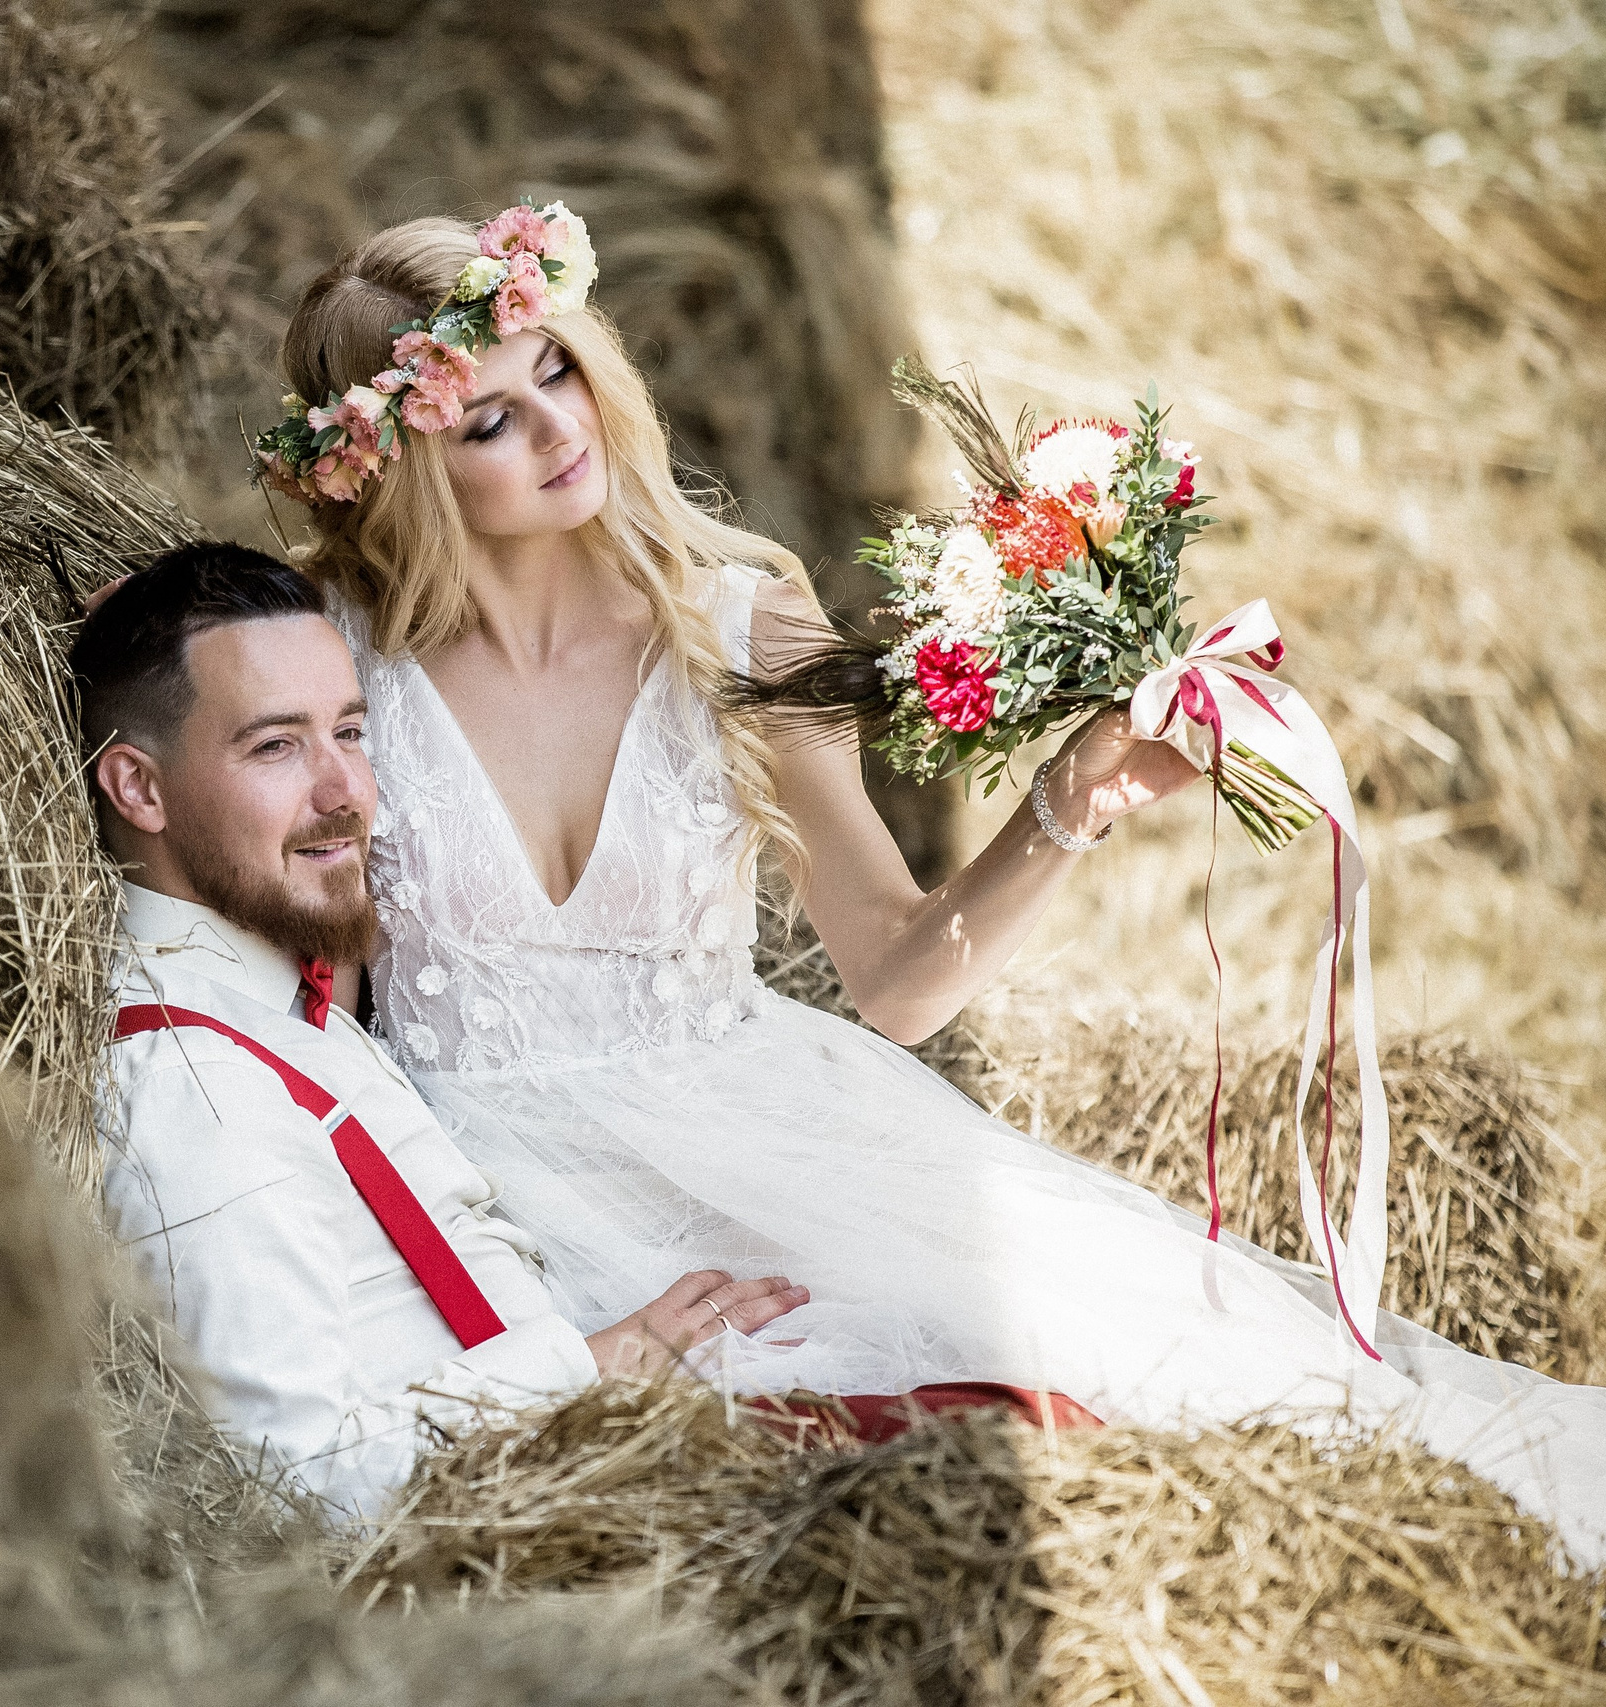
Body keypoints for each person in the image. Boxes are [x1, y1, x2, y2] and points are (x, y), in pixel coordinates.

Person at [257, 206, 1606, 1563]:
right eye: (486, 420)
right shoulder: (322, 657)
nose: (560, 431)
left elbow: (898, 980)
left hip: (762, 1142)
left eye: (558, 371)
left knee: (1130, 1387)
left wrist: (1065, 808)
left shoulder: (735, 619)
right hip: (477, 1185)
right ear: (392, 471)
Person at [77, 543, 1086, 1519]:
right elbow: (291, 1485)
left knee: (1035, 1397)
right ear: (137, 788)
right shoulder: (194, 1079)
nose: (349, 796)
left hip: (586, 1431)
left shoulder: (282, 1006)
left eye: (351, 731)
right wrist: (599, 1362)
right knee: (1026, 1450)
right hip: (548, 1499)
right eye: (274, 746)